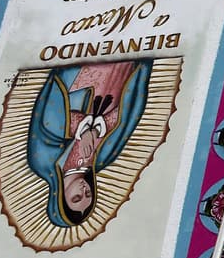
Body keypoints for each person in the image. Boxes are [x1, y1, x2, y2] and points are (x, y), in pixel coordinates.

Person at [27, 61, 153, 227]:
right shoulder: (102, 160)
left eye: (76, 198)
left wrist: (81, 128)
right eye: (88, 195)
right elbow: (124, 121)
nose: (84, 191)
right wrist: (97, 129)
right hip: (117, 85)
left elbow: (48, 121)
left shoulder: (43, 163)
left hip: (81, 82)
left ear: (60, 198)